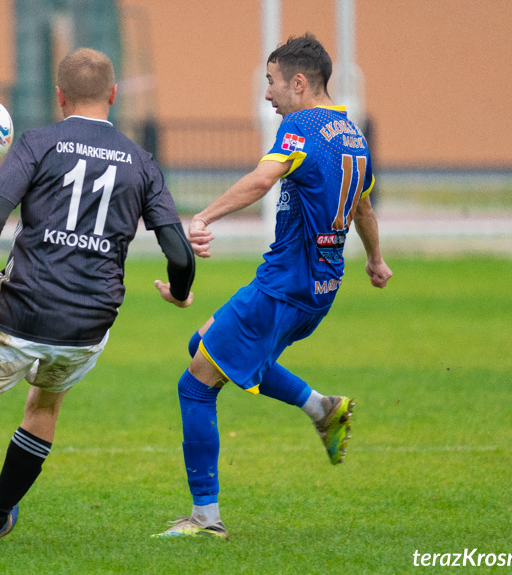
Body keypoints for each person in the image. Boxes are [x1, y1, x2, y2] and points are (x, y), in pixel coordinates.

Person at [0, 47, 195, 554]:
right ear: (113, 96)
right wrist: (179, 294)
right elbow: (178, 253)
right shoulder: (141, 162)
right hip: (87, 326)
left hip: (20, 308)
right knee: (43, 405)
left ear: (59, 96)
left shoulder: (38, 143)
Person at [153, 33, 393, 540]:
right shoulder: (353, 135)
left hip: (284, 286)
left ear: (299, 83)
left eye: (272, 82)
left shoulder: (303, 127)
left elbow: (263, 180)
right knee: (204, 344)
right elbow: (364, 208)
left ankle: (205, 518)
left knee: (194, 385)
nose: (268, 94)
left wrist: (205, 216)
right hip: (319, 290)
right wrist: (375, 259)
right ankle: (322, 408)